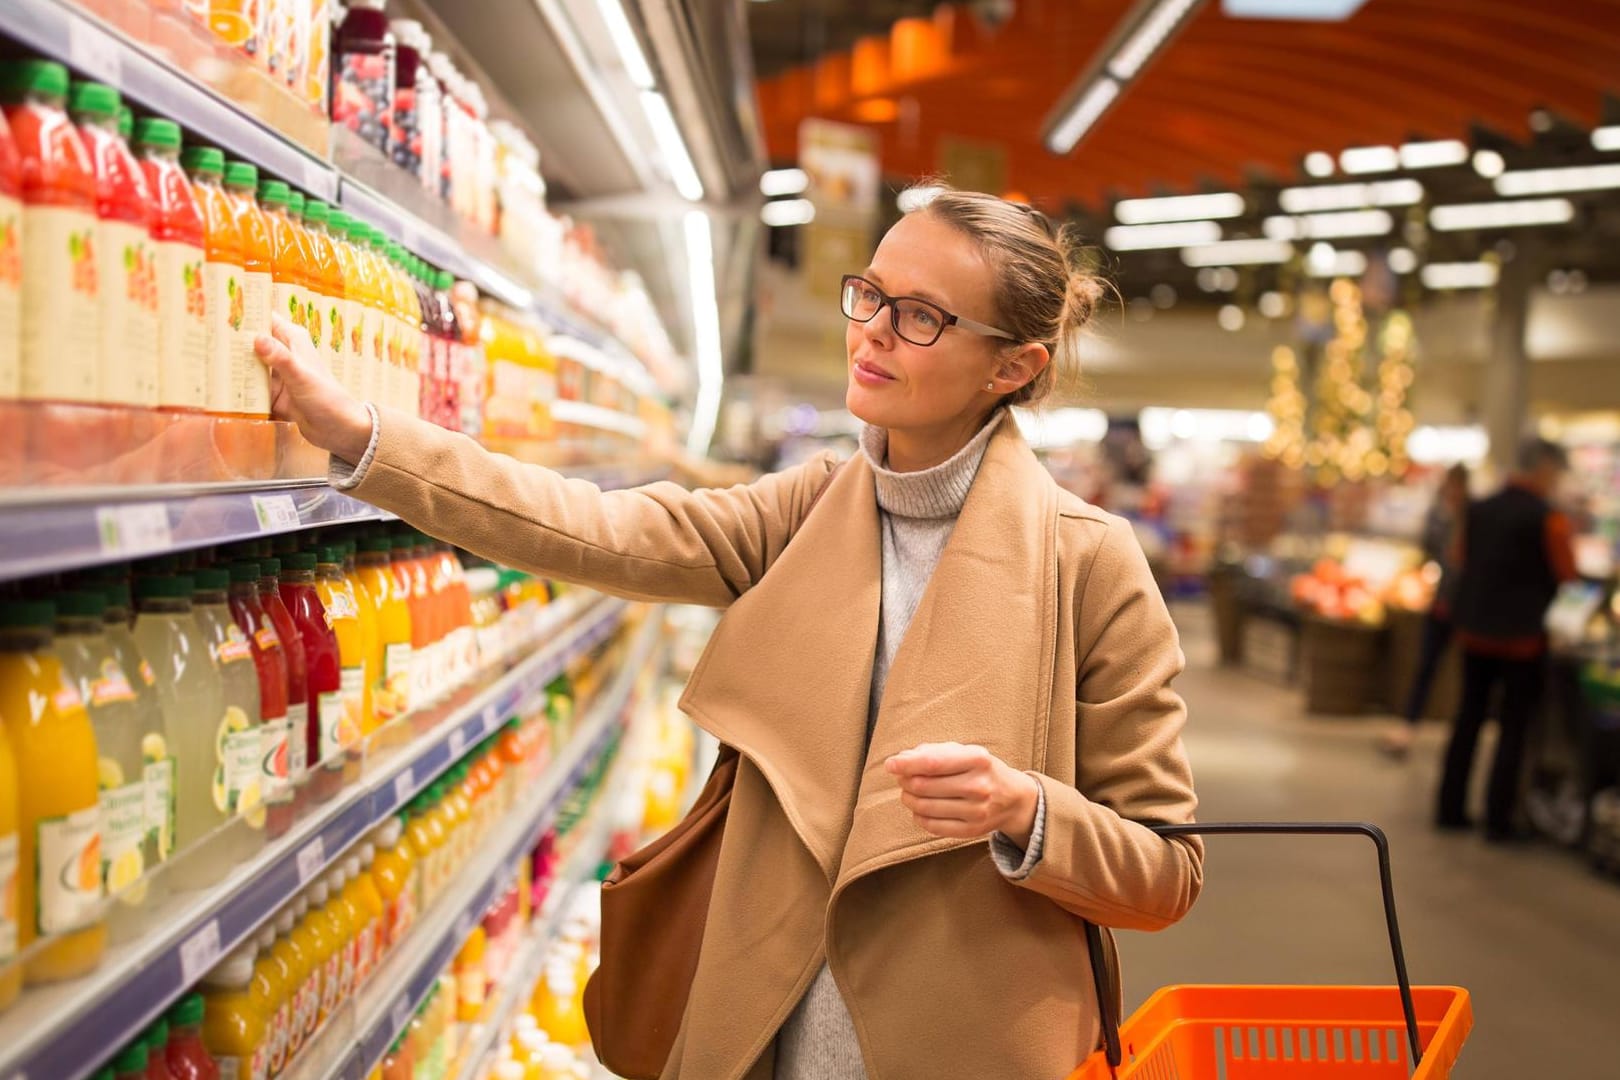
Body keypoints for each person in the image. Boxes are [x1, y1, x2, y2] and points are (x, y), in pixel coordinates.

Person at [254, 187, 1202, 1079]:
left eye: (920, 316)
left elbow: (1165, 870)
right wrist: (367, 437)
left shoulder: (1089, 563)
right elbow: (595, 528)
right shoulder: (812, 510)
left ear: (1012, 367)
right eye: (868, 293)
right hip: (763, 1022)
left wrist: (1024, 811)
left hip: (959, 1037)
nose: (870, 331)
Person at [1437, 438, 1578, 842]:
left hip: (1474, 632)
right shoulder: (1548, 518)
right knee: (1513, 728)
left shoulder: (1478, 510)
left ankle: (1450, 807)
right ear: (1545, 468)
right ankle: (1498, 819)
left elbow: (1460, 559)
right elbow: (1567, 574)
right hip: (1523, 640)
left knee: (1468, 718)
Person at [1381, 463, 1469, 756]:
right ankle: (1408, 727)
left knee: (1462, 676)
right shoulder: (1440, 516)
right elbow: (1430, 551)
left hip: (1464, 609)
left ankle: (1456, 732)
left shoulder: (1470, 517)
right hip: (1442, 604)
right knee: (1426, 668)